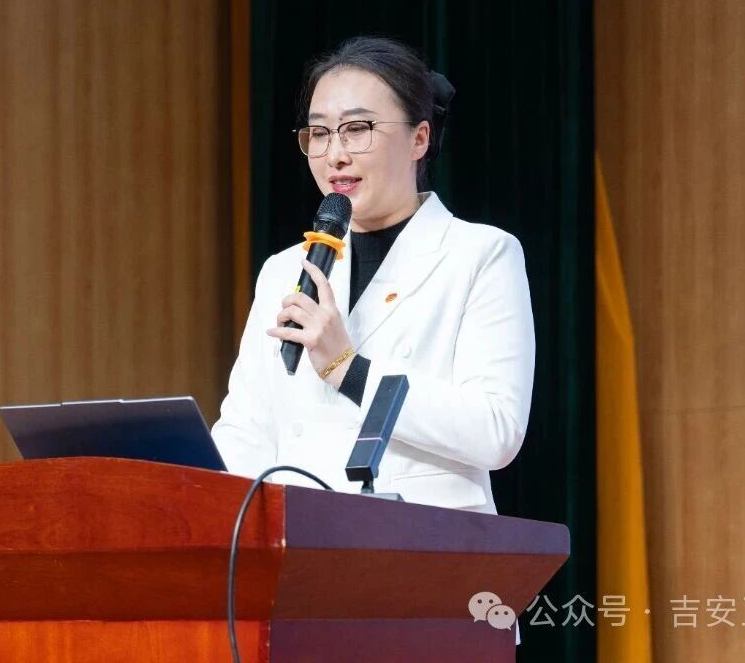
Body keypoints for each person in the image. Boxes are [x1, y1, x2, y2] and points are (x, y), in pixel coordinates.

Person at [210, 36, 535, 514]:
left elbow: (496, 430)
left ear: (419, 139)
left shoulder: (480, 254)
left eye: (357, 129)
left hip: (424, 538)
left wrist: (348, 368)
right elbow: (245, 432)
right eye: (319, 133)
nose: (335, 155)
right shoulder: (284, 269)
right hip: (299, 539)